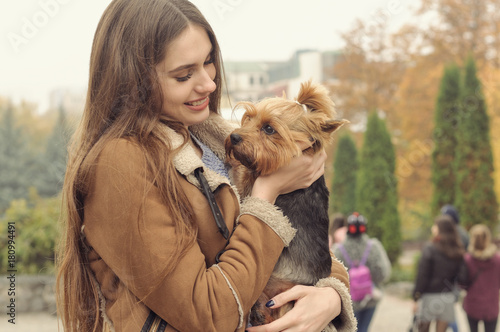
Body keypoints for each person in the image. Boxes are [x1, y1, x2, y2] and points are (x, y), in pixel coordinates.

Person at [55, 0, 356, 331]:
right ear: (134, 81)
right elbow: (210, 314)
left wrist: (331, 296)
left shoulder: (215, 140)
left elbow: (302, 251)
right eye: (184, 74)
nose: (209, 84)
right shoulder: (121, 164)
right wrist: (267, 192)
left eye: (209, 62)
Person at [332, 212, 391, 332]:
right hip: (371, 298)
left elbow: (332, 277)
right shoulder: (374, 246)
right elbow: (384, 274)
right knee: (364, 328)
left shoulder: (339, 250)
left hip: (349, 301)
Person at [412, 215, 467, 332]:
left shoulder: (430, 248)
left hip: (428, 297)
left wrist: (416, 297)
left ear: (440, 229)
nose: (433, 228)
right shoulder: (458, 250)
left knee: (422, 329)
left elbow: (422, 276)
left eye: (435, 226)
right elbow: (463, 277)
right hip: (447, 297)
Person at [462, 224, 500, 332]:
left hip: (472, 305)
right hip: (491, 306)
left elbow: (462, 283)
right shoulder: (497, 260)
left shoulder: (467, 259)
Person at [440, 204, 468, 332]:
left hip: (452, 280)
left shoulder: (458, 235)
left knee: (447, 311)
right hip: (451, 280)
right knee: (446, 310)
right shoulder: (458, 233)